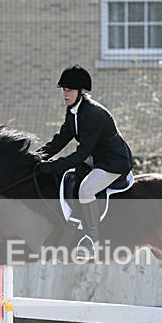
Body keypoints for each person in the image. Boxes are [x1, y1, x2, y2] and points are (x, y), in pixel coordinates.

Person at [36, 64, 134, 256]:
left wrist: (53, 166)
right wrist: (38, 156)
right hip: (95, 158)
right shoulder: (73, 111)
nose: (65, 94)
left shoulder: (93, 114)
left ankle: (92, 240)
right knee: (69, 178)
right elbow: (61, 139)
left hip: (113, 162)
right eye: (63, 90)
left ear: (80, 91)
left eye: (69, 90)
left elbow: (81, 154)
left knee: (86, 190)